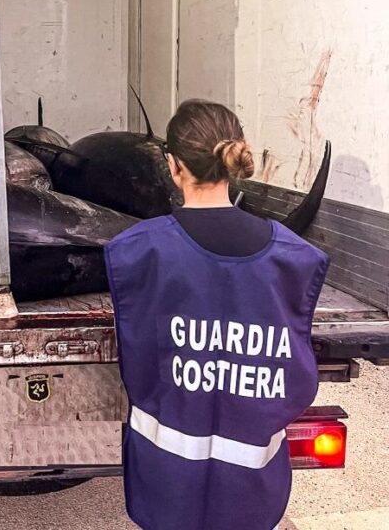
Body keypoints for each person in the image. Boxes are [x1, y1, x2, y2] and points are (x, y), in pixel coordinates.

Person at [104, 99, 329, 530]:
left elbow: (138, 361)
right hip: (254, 495)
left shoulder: (138, 250)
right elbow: (296, 379)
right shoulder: (295, 257)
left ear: (173, 166)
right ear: (234, 159)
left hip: (164, 487)